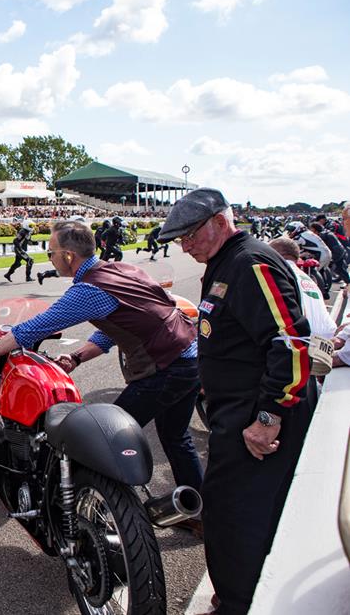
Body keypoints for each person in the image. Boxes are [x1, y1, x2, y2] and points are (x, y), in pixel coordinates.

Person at [159, 188, 315, 615]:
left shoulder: (249, 262)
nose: (185, 245)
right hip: (237, 413)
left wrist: (268, 417)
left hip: (257, 419)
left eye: (190, 234)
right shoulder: (224, 262)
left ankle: (238, 604)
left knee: (234, 518)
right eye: (180, 239)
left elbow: (291, 344)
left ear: (221, 222)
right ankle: (237, 596)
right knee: (233, 514)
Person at [0, 220, 204, 499]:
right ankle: (199, 510)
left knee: (105, 440)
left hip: (166, 367)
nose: (50, 258)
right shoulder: (122, 269)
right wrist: (77, 357)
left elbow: (33, 328)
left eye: (51, 252)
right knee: (176, 438)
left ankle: (103, 512)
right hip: (191, 356)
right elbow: (120, 326)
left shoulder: (89, 289)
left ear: (68, 256)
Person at [267, 237, 337, 338]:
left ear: (275, 254)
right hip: (327, 337)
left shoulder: (279, 274)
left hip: (303, 340)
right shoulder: (306, 278)